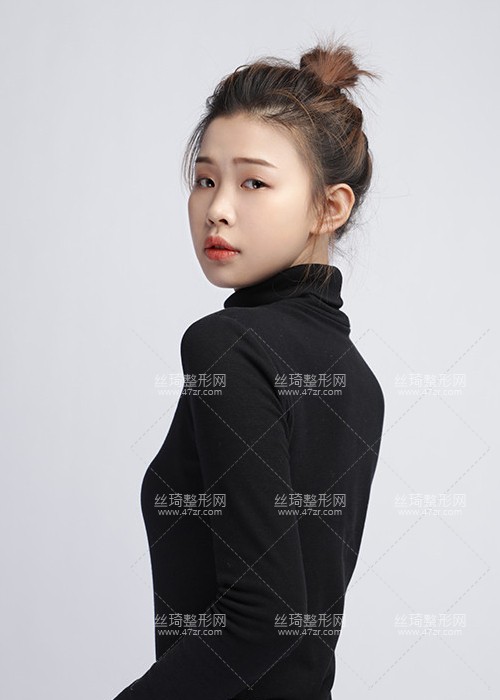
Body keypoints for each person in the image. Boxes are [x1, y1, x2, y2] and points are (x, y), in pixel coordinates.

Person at [113, 34, 385, 699]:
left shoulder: (227, 347)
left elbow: (261, 623)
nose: (218, 208)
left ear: (330, 207)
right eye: (206, 179)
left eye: (254, 183)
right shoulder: (360, 379)